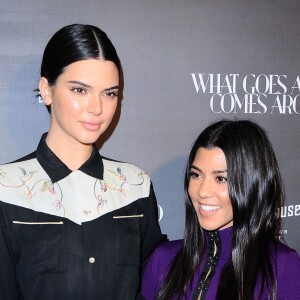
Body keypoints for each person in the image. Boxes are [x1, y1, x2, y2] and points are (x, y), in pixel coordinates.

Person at [0, 24, 166, 300]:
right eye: (80, 90)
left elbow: (155, 283)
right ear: (46, 89)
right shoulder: (7, 189)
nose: (97, 108)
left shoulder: (135, 185)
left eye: (109, 93)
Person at [141, 119, 300, 300]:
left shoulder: (281, 265)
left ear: (252, 184)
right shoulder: (163, 259)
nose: (203, 191)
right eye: (196, 175)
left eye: (221, 179)